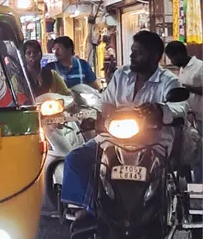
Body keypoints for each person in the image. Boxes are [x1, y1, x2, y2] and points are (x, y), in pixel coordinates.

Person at [61, 30, 185, 218]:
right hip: (113, 138)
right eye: (132, 51)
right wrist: (95, 117)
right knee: (75, 159)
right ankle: (86, 211)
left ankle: (157, 211)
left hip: (152, 142)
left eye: (138, 53)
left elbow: (180, 108)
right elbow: (105, 102)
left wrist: (160, 111)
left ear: (154, 57)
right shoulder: (121, 75)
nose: (132, 56)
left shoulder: (169, 81)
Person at [165, 41, 202, 179]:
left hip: (201, 117)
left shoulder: (199, 67)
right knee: (190, 153)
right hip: (189, 119)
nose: (172, 62)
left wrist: (187, 88)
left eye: (173, 58)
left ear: (181, 53)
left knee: (200, 155)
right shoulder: (182, 69)